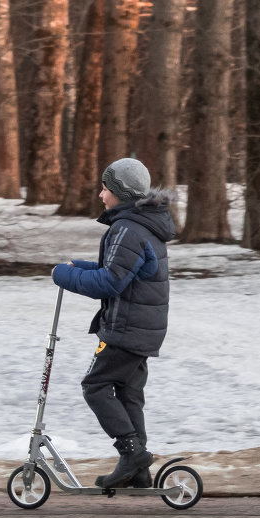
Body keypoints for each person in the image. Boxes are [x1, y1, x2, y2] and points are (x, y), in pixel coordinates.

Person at [52, 158, 175, 488]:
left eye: (105, 188)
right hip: (142, 329)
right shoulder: (140, 225)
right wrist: (78, 266)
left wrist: (64, 275)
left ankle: (132, 453)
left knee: (95, 386)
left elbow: (110, 282)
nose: (100, 194)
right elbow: (119, 269)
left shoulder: (128, 229)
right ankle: (139, 471)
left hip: (126, 330)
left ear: (120, 193)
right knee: (128, 394)